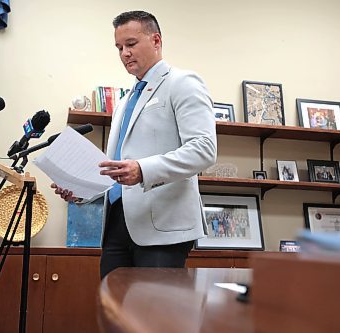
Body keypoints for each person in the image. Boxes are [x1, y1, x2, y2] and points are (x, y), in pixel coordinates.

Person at [52, 10, 217, 279]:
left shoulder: (183, 82)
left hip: (163, 228)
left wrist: (143, 169)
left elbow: (203, 149)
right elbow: (115, 167)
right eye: (119, 47)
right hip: (116, 224)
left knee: (154, 316)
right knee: (114, 313)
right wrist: (81, 190)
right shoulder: (125, 100)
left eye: (130, 44)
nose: (124, 54)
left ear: (156, 40)